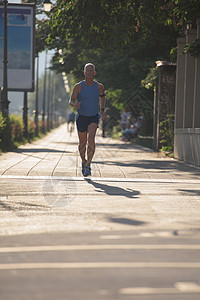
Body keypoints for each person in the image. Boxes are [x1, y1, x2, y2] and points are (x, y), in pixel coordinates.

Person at [69, 63, 106, 176]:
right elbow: (70, 101)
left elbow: (103, 96)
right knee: (82, 143)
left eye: (91, 71)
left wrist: (102, 109)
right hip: (81, 117)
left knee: (91, 139)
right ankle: (83, 161)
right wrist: (75, 105)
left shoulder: (99, 86)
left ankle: (88, 164)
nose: (89, 72)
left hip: (93, 117)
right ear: (84, 72)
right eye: (87, 71)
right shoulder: (78, 86)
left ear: (94, 73)